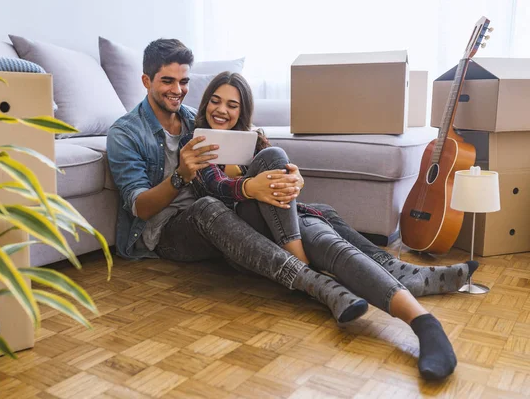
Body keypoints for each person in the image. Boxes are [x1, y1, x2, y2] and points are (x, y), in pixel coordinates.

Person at [106, 38, 463, 380]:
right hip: (168, 230)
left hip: (230, 219)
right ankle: (318, 282)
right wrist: (186, 176)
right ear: (146, 80)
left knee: (312, 223)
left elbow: (241, 167)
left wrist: (288, 182)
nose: (178, 89)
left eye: (184, 82)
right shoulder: (127, 133)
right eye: (167, 81)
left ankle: (422, 321)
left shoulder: (192, 118)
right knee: (209, 206)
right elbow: (141, 207)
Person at [178, 71, 481, 380]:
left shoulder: (252, 140)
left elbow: (281, 188)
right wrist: (249, 187)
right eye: (215, 101)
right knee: (310, 211)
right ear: (205, 104)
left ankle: (424, 323)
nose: (222, 110)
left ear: (242, 111)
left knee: (315, 220)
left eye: (232, 104)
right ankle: (389, 276)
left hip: (280, 229)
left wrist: (294, 180)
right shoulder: (196, 144)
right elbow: (215, 189)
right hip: (249, 241)